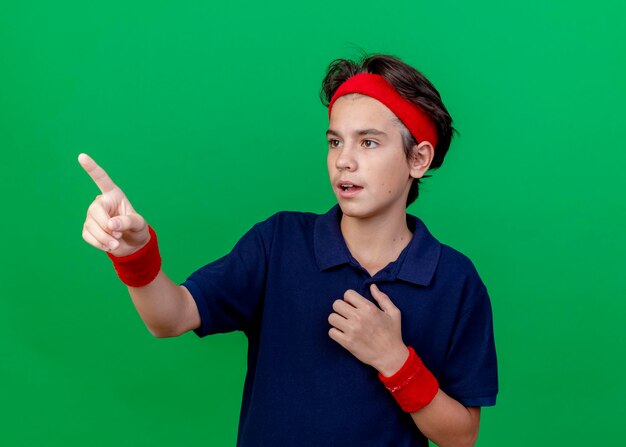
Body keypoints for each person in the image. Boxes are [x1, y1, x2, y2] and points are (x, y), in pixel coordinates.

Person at [79, 54, 498, 447]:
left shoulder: (455, 280)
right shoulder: (278, 243)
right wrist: (135, 252)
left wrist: (394, 360)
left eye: (368, 143)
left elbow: (461, 436)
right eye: (335, 142)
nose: (343, 162)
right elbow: (169, 318)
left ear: (418, 159)